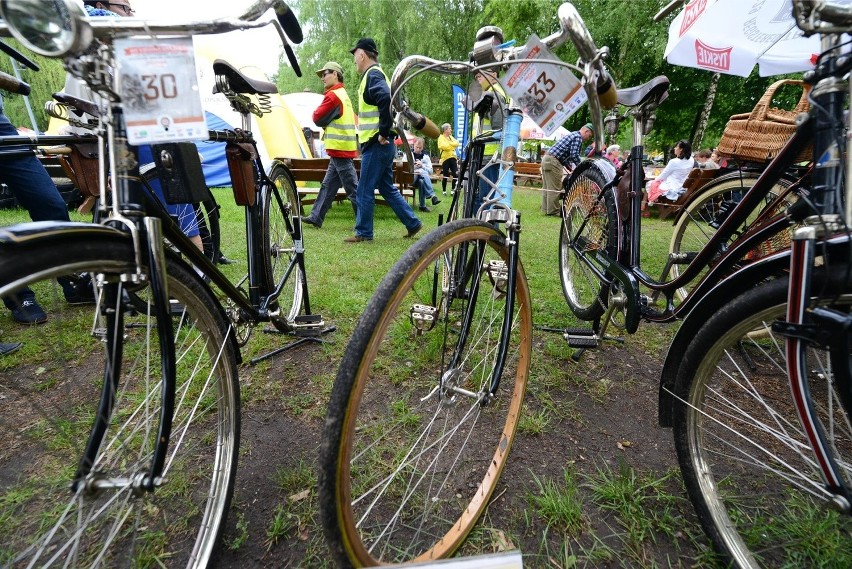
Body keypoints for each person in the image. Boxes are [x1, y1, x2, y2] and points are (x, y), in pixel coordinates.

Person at [345, 38, 421, 243]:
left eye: (355, 55)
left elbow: (386, 99)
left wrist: (382, 132)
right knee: (386, 187)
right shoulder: (379, 75)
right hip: (384, 145)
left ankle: (363, 233)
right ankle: (412, 222)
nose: (354, 60)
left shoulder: (373, 75)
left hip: (377, 143)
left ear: (362, 54)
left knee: (363, 188)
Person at [302, 61, 359, 229]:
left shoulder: (334, 95)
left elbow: (317, 117)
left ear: (335, 74)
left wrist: (322, 120)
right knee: (329, 184)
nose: (322, 78)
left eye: (325, 73)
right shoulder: (342, 94)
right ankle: (316, 216)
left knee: (352, 188)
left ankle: (364, 224)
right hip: (341, 147)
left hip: (339, 147)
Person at [471, 69, 510, 214]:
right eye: (476, 74)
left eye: (483, 72)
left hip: (489, 158)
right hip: (483, 157)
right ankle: (476, 233)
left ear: (494, 74)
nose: (477, 76)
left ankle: (487, 235)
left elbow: (500, 129)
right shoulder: (486, 95)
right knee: (480, 200)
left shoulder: (495, 95)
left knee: (486, 201)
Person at [540, 123, 594, 215]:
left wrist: (570, 168)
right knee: (555, 187)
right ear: (586, 131)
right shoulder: (578, 137)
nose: (588, 139)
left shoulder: (572, 134)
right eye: (589, 136)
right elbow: (574, 155)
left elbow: (564, 156)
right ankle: (553, 211)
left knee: (548, 187)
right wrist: (581, 167)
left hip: (547, 159)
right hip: (553, 161)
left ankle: (546, 209)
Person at [642, 139, 694, 215]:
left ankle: (645, 208)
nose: (675, 148)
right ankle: (645, 206)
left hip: (672, 187)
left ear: (681, 149)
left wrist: (655, 178)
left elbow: (662, 176)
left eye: (676, 147)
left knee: (650, 183)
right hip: (683, 186)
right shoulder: (691, 160)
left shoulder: (674, 161)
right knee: (652, 183)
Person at [412, 137, 440, 212]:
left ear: (423, 147)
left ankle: (422, 206)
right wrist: (414, 167)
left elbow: (430, 171)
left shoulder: (426, 157)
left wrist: (422, 166)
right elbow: (404, 168)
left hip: (422, 179)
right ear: (413, 145)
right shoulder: (408, 155)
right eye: (416, 147)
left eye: (420, 148)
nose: (418, 149)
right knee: (422, 172)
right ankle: (432, 195)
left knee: (421, 181)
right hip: (411, 178)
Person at [437, 123, 459, 195]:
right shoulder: (441, 137)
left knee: (455, 174)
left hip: (453, 158)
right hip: (445, 159)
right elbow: (444, 147)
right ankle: (444, 191)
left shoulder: (450, 137)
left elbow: (457, 143)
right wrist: (452, 145)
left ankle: (453, 190)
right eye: (450, 128)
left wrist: (449, 143)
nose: (451, 130)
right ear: (445, 130)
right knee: (445, 175)